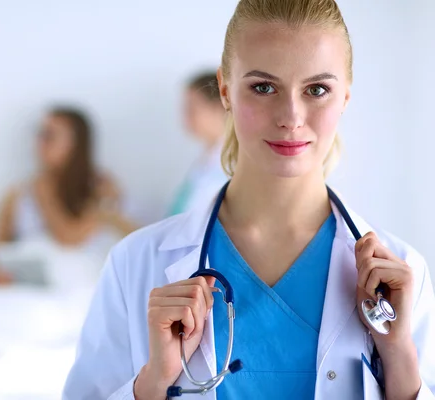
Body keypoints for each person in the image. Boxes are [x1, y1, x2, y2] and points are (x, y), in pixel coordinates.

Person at [62, 1, 435, 399]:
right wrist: (152, 382)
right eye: (263, 87)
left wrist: (399, 360)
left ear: (344, 97)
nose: (291, 116)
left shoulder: (401, 274)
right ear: (225, 90)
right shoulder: (135, 264)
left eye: (317, 89)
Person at [0, 106, 137, 285]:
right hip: (29, 294)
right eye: (39, 134)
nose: (40, 143)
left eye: (49, 135)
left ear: (75, 143)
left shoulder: (104, 190)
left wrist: (107, 207)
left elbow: (70, 239)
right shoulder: (18, 194)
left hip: (84, 291)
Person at [167, 72, 228, 216]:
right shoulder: (205, 160)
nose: (185, 118)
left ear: (219, 108)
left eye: (191, 109)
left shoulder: (231, 165)